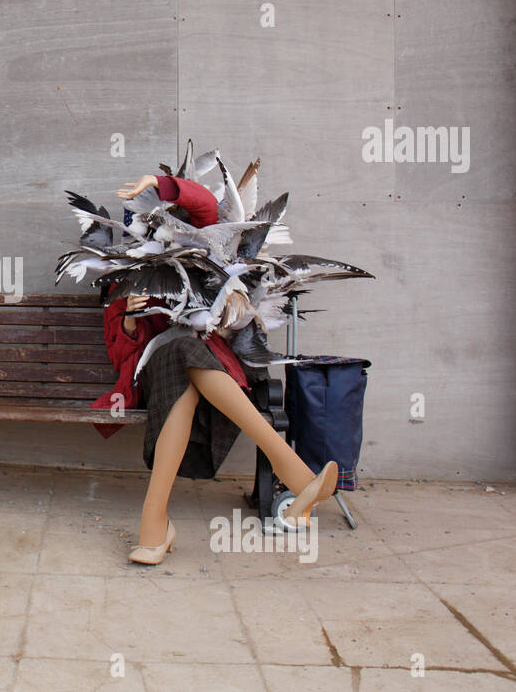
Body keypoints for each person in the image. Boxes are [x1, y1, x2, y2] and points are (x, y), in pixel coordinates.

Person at [92, 173, 337, 564]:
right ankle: (294, 473)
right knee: (178, 356)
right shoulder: (124, 279)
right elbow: (122, 356)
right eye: (144, 224)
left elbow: (205, 205)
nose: (152, 229)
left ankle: (154, 526)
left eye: (158, 219)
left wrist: (158, 181)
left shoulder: (197, 248)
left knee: (186, 358)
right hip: (155, 373)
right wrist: (130, 323)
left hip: (207, 373)